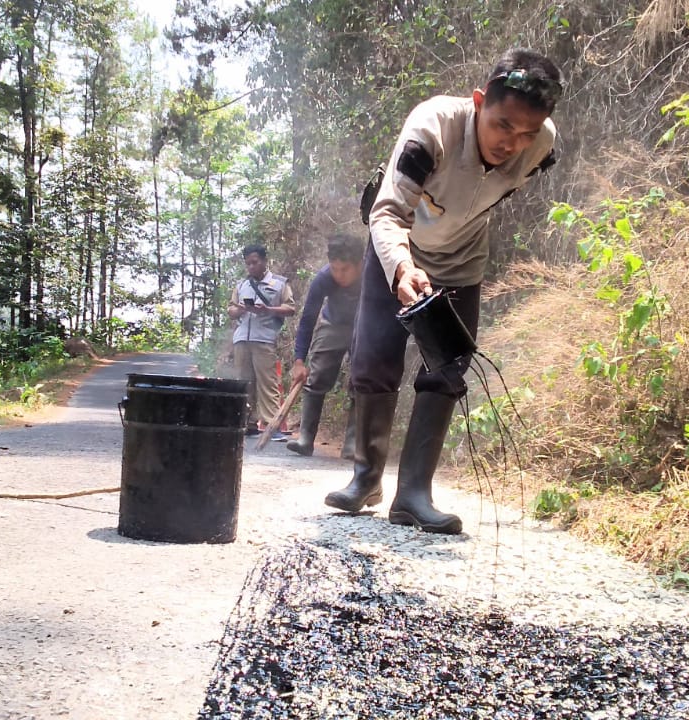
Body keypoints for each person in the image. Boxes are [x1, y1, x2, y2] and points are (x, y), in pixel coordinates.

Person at [324, 47, 562, 534]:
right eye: (502, 126)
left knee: (448, 366)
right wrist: (402, 268)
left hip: (460, 260)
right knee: (374, 359)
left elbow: (503, 184)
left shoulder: (542, 144)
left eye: (526, 133)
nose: (512, 144)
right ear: (478, 101)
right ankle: (366, 478)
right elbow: (386, 213)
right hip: (396, 249)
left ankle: (413, 494)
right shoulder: (432, 127)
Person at [286, 233, 365, 458]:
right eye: (334, 268)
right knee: (317, 376)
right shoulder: (323, 278)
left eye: (345, 269)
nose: (339, 275)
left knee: (362, 379)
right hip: (333, 323)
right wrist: (299, 360)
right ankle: (305, 439)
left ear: (359, 264)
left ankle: (352, 444)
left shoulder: (373, 275)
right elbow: (308, 319)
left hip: (364, 326)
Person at [227, 244, 297, 436]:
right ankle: (247, 422)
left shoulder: (279, 284)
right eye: (248, 263)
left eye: (255, 262)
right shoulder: (241, 285)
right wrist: (241, 309)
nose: (251, 267)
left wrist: (267, 310)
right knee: (244, 382)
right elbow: (231, 310)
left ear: (265, 261)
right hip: (242, 339)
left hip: (264, 338)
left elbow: (290, 308)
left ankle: (271, 425)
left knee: (268, 382)